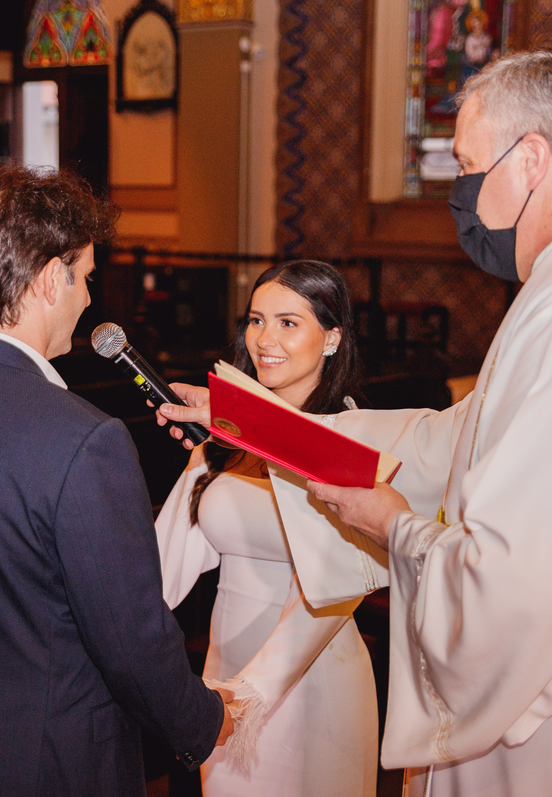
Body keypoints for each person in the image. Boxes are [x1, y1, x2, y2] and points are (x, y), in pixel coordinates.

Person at [159, 49, 552, 797]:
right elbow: (457, 438)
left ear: (530, 161)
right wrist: (253, 421)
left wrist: (394, 528)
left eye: (465, 165)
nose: (459, 196)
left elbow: (514, 582)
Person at [0, 166, 232, 797]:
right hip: (47, 763)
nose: (89, 300)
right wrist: (208, 721)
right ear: (46, 280)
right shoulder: (84, 441)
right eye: (85, 277)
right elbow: (131, 642)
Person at [156, 260, 379, 796]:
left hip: (313, 683)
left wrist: (249, 695)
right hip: (223, 679)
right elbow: (159, 570)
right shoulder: (223, 440)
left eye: (288, 322)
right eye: (256, 320)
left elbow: (331, 588)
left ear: (332, 337)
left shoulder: (349, 439)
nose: (264, 339)